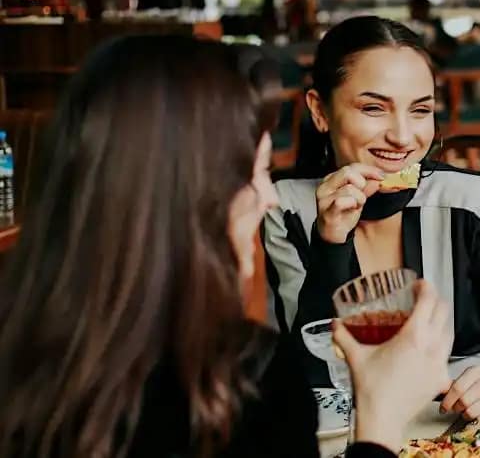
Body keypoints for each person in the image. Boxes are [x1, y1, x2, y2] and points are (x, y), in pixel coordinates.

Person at [0, 35, 455, 458]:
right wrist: (379, 418)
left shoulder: (21, 349)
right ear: (191, 193)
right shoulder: (247, 383)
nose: (268, 196)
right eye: (255, 171)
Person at [263, 15, 480, 422]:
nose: (402, 136)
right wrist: (331, 242)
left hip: (458, 435)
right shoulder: (286, 209)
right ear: (320, 111)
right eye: (374, 108)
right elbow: (313, 375)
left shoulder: (472, 200)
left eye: (420, 110)